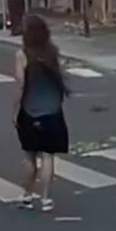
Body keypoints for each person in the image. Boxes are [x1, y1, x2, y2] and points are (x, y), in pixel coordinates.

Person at [13, 15, 71, 212]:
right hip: (53, 110)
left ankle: (27, 195)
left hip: (30, 110)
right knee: (48, 156)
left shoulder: (22, 55)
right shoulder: (52, 52)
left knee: (29, 156)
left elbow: (21, 85)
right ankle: (45, 199)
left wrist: (16, 109)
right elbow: (60, 77)